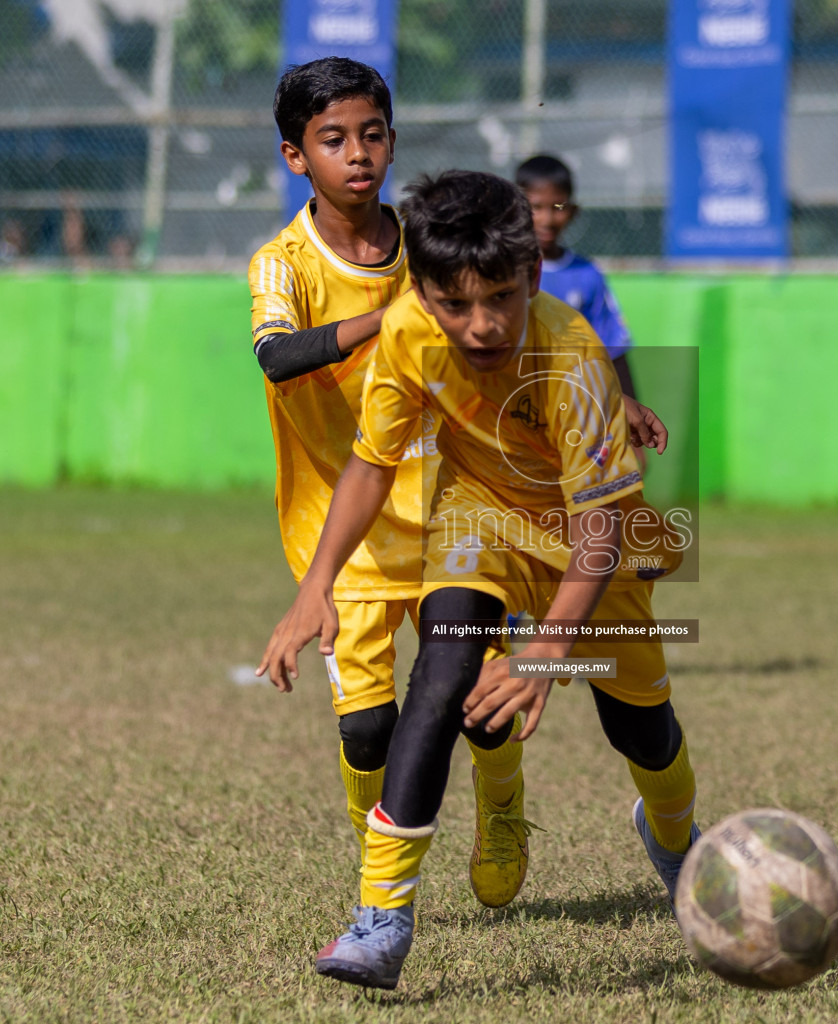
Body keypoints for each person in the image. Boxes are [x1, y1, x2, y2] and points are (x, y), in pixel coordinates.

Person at [256, 170, 698, 991]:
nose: (481, 324)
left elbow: (600, 530)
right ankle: (380, 919)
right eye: (454, 304)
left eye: (500, 296)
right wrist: (317, 583)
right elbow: (369, 465)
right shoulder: (408, 334)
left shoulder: (571, 357)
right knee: (440, 679)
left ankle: (678, 843)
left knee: (641, 732)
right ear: (420, 291)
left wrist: (544, 654)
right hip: (476, 521)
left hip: (585, 540)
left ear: (532, 275)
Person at [246, 57, 530, 910]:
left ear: (394, 143)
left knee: (481, 701)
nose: (356, 154)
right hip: (349, 525)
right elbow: (277, 355)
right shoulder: (282, 263)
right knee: (368, 728)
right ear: (297, 156)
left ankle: (504, 808)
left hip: (454, 514)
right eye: (333, 139)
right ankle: (380, 846)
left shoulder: (431, 251)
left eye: (372, 135)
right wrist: (391, 316)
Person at [515, 154, 638, 399]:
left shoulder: (587, 274)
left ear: (573, 211)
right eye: (535, 207)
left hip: (569, 405)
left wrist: (633, 410)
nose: (547, 220)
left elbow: (612, 348)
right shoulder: (501, 268)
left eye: (557, 208)